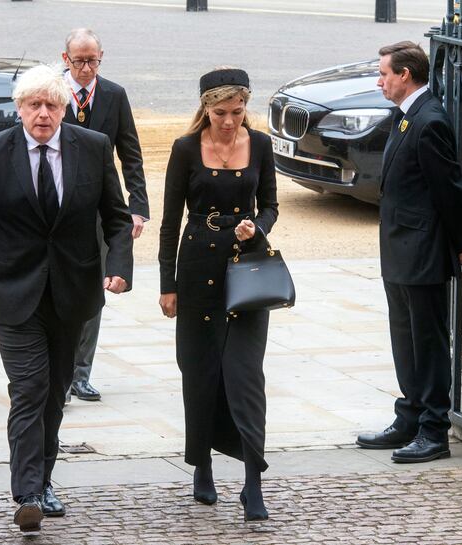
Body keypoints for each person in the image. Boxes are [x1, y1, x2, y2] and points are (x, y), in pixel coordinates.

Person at [0, 64, 133, 534]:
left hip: (72, 293)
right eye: (33, 105)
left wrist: (118, 266)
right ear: (19, 109)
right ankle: (28, 492)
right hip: (13, 295)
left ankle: (44, 479)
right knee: (30, 388)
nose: (43, 114)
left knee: (54, 392)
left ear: (65, 108)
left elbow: (116, 217)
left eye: (52, 105)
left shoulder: (92, 149)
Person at [158, 67, 278, 522]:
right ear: (205, 108)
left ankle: (253, 482)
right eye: (221, 112)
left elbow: (270, 203)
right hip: (196, 270)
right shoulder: (185, 149)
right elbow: (170, 222)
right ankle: (202, 464)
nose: (230, 121)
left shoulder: (260, 144)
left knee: (246, 377)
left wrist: (257, 226)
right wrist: (167, 285)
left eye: (238, 111)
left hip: (245, 270)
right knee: (200, 371)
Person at [356, 42, 462, 463]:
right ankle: (410, 416)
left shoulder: (430, 120)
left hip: (423, 250)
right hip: (400, 248)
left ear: (405, 75)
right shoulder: (407, 117)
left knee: (428, 342)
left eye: (384, 73)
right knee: (404, 340)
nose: (379, 80)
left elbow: (449, 192)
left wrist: (459, 244)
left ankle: (434, 430)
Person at [61, 28, 149, 402]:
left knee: (93, 290)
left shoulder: (113, 95)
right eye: (78, 61)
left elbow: (130, 152)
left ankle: (81, 374)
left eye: (92, 61)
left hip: (99, 206)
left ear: (101, 57)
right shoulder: (50, 93)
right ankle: (58, 373)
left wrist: (138, 207)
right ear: (65, 59)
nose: (85, 68)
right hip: (57, 208)